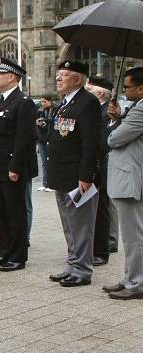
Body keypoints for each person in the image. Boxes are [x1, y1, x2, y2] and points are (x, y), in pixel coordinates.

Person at [46, 61, 101, 288]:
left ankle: (82, 270)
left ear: (78, 79)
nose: (58, 78)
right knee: (69, 225)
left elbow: (91, 143)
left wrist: (86, 176)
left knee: (81, 226)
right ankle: (72, 265)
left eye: (64, 75)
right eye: (58, 74)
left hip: (77, 176)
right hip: (61, 174)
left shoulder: (87, 102)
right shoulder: (65, 103)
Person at [0, 58, 37, 272]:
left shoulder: (23, 102)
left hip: (11, 168)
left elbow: (24, 139)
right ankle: (4, 252)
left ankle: (18, 256)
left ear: (11, 77)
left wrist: (16, 167)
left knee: (15, 213)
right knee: (0, 213)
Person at [104, 67, 143, 300]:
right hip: (129, 176)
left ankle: (136, 283)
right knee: (132, 235)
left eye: (127, 86)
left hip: (131, 178)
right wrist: (119, 117)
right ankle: (130, 278)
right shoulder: (136, 108)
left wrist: (114, 125)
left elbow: (115, 138)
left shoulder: (140, 110)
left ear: (140, 88)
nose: (124, 90)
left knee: (134, 236)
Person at [86, 76, 115, 267]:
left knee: (101, 212)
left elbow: (106, 142)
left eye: (89, 90)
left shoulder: (108, 113)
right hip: (93, 167)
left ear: (101, 93)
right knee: (92, 212)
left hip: (103, 168)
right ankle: (93, 248)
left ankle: (101, 251)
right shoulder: (95, 111)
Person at [35, 94, 55, 191]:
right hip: (42, 139)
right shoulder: (40, 111)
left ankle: (52, 184)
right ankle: (45, 183)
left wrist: (45, 121)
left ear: (50, 101)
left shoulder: (55, 109)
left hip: (51, 139)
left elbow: (54, 123)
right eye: (41, 101)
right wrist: (39, 123)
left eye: (44, 101)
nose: (42, 104)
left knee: (51, 162)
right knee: (44, 162)